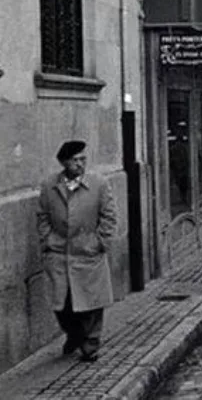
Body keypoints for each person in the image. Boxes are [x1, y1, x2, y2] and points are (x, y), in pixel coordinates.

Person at [36, 140, 117, 362]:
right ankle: (73, 334)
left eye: (83, 159)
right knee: (62, 304)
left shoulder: (99, 184)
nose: (80, 164)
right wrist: (48, 240)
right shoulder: (50, 185)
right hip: (59, 252)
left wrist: (99, 242)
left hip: (87, 251)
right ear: (64, 162)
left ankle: (90, 345)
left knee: (91, 303)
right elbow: (42, 215)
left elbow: (109, 217)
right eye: (75, 160)